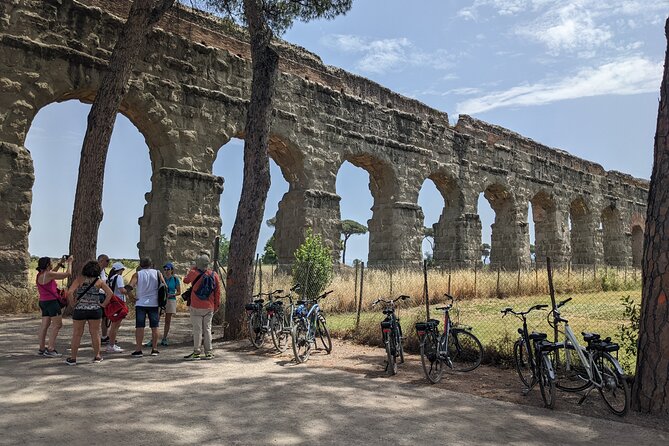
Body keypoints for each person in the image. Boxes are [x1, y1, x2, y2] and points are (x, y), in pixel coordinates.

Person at [65, 260, 113, 365]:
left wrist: (73, 303)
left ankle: (73, 358)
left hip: (80, 309)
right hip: (95, 310)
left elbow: (69, 292)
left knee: (77, 334)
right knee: (95, 333)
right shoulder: (99, 281)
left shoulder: (79, 279)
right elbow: (110, 293)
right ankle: (97, 356)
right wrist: (103, 304)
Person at [183, 255, 221, 361]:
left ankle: (197, 352)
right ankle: (208, 353)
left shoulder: (193, 273)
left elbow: (185, 281)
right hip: (209, 306)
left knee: (197, 330)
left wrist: (192, 269)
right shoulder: (214, 274)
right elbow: (217, 291)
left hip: (195, 306)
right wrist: (216, 305)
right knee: (207, 329)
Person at [36, 255, 73, 357]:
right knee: (57, 325)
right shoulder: (49, 274)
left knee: (44, 326)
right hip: (52, 302)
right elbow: (68, 274)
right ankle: (51, 349)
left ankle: (42, 348)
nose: (52, 264)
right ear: (48, 264)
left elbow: (53, 273)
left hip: (43, 302)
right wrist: (70, 262)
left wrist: (60, 263)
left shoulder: (40, 274)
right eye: (51, 262)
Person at [128, 257, 165, 357]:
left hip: (140, 303)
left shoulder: (137, 274)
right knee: (155, 326)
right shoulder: (158, 273)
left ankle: (138, 349)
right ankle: (154, 349)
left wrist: (131, 297)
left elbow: (129, 287)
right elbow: (164, 286)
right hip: (154, 303)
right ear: (151, 264)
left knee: (140, 327)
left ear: (140, 265)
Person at [105, 262, 128, 353]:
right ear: (120, 270)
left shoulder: (110, 278)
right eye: (122, 269)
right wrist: (128, 290)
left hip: (113, 303)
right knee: (115, 326)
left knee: (114, 325)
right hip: (119, 303)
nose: (123, 271)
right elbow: (122, 290)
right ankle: (111, 345)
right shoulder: (118, 277)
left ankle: (111, 344)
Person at [160, 262, 181, 346]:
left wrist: (172, 294)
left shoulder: (175, 279)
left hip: (171, 300)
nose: (166, 271)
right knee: (156, 319)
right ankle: (153, 338)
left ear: (172, 270)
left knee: (167, 321)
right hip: (162, 300)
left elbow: (179, 292)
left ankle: (164, 338)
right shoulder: (162, 278)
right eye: (165, 269)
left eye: (168, 269)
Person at [97, 254, 110, 345]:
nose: (108, 262)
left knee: (105, 317)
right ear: (101, 261)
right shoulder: (95, 271)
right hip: (98, 295)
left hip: (104, 295)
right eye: (107, 260)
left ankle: (104, 336)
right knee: (98, 318)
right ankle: (97, 337)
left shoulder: (103, 271)